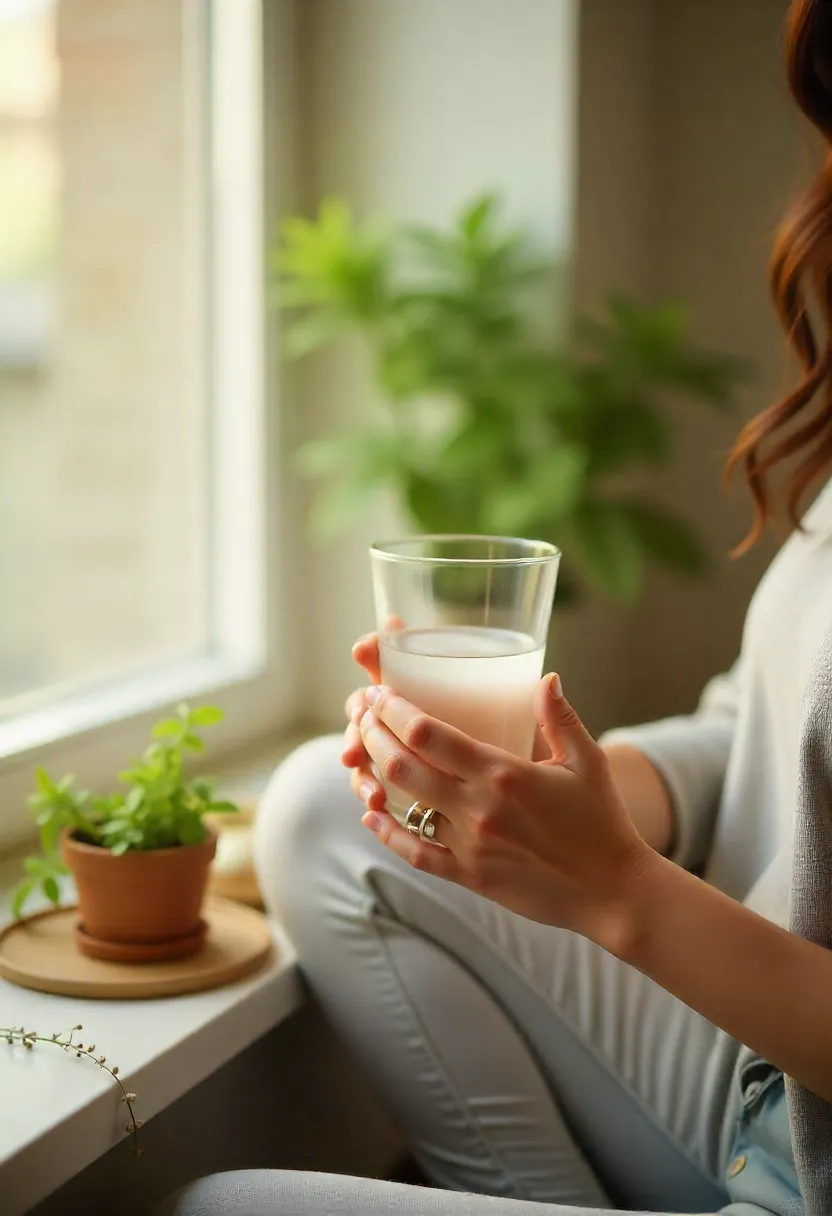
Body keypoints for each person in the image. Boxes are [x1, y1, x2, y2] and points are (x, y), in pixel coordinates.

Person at [162, 2, 832, 1213]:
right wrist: (562, 805)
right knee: (326, 800)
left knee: (208, 1207)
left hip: (804, 1143)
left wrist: (617, 890)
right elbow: (762, 734)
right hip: (746, 1058)